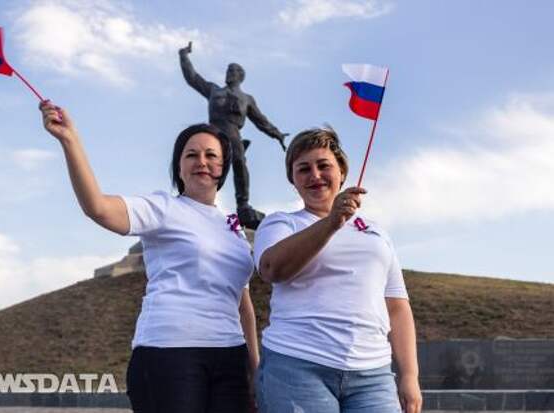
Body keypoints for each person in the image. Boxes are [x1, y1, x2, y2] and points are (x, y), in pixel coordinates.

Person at [39, 100, 260, 413]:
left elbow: (243, 304)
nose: (202, 161)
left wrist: (255, 366)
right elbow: (98, 207)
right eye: (191, 155)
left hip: (230, 357)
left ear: (223, 166)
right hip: (170, 352)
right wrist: (69, 140)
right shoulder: (163, 208)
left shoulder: (233, 228)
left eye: (211, 155)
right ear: (179, 167)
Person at [252, 127, 422, 413]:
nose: (315, 175)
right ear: (293, 180)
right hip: (296, 366)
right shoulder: (280, 224)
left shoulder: (377, 233)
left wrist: (409, 376)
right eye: (303, 169)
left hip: (373, 375)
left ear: (342, 172)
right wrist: (332, 221)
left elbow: (396, 306)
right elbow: (271, 268)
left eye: (324, 165)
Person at [179, 41, 288, 230]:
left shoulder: (247, 99)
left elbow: (261, 120)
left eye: (233, 70)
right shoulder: (214, 90)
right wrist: (184, 55)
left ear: (240, 76)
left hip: (233, 133)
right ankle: (197, 200)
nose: (228, 73)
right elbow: (193, 78)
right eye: (228, 70)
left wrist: (277, 134)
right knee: (204, 165)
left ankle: (243, 205)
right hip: (213, 133)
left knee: (239, 163)